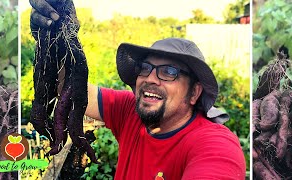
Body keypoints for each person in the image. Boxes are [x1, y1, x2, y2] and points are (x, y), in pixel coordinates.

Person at [29, 0, 246, 179]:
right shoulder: (128, 111)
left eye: (169, 71)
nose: (150, 78)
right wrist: (49, 40)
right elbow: (68, 86)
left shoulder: (214, 145)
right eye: (145, 67)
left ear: (194, 92)